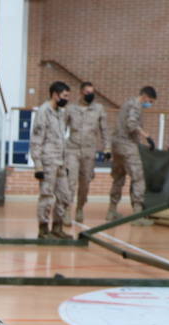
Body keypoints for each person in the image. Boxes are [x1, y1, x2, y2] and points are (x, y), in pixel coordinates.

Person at [108, 85, 157, 226]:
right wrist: (146, 136)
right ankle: (137, 214)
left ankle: (111, 211)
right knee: (138, 177)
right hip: (127, 145)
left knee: (118, 177)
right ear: (146, 97)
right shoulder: (136, 105)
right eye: (151, 101)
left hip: (116, 145)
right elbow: (131, 124)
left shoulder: (127, 102)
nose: (150, 104)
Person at [31, 81, 72, 239]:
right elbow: (36, 140)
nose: (66, 99)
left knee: (64, 196)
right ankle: (43, 229)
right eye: (64, 96)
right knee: (47, 196)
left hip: (61, 162)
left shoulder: (61, 112)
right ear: (55, 94)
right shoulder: (43, 111)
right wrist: (38, 166)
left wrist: (66, 163)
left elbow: (62, 139)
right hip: (48, 161)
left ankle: (57, 227)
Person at [64, 80, 108, 225]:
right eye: (87, 92)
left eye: (92, 93)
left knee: (85, 184)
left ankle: (80, 208)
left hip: (89, 151)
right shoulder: (70, 109)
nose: (90, 95)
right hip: (72, 149)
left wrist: (107, 148)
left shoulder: (99, 109)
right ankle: (67, 211)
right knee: (70, 182)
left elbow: (104, 130)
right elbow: (61, 128)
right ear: (81, 92)